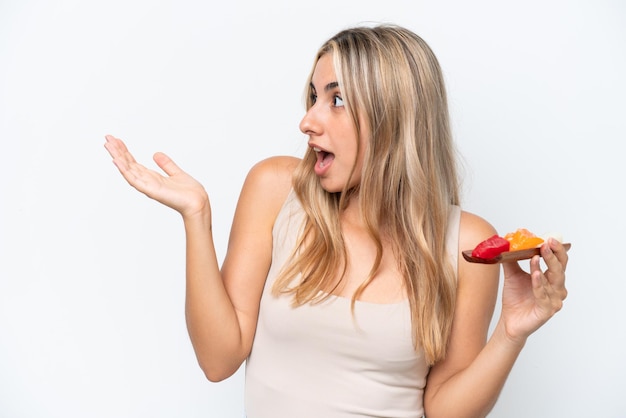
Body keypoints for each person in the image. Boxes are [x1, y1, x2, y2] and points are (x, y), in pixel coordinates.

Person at [103, 24, 568, 418]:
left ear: (394, 118)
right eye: (312, 96)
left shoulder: (465, 241)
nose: (307, 120)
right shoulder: (275, 189)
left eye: (337, 99)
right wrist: (196, 217)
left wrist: (509, 334)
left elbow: (444, 408)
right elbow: (218, 359)